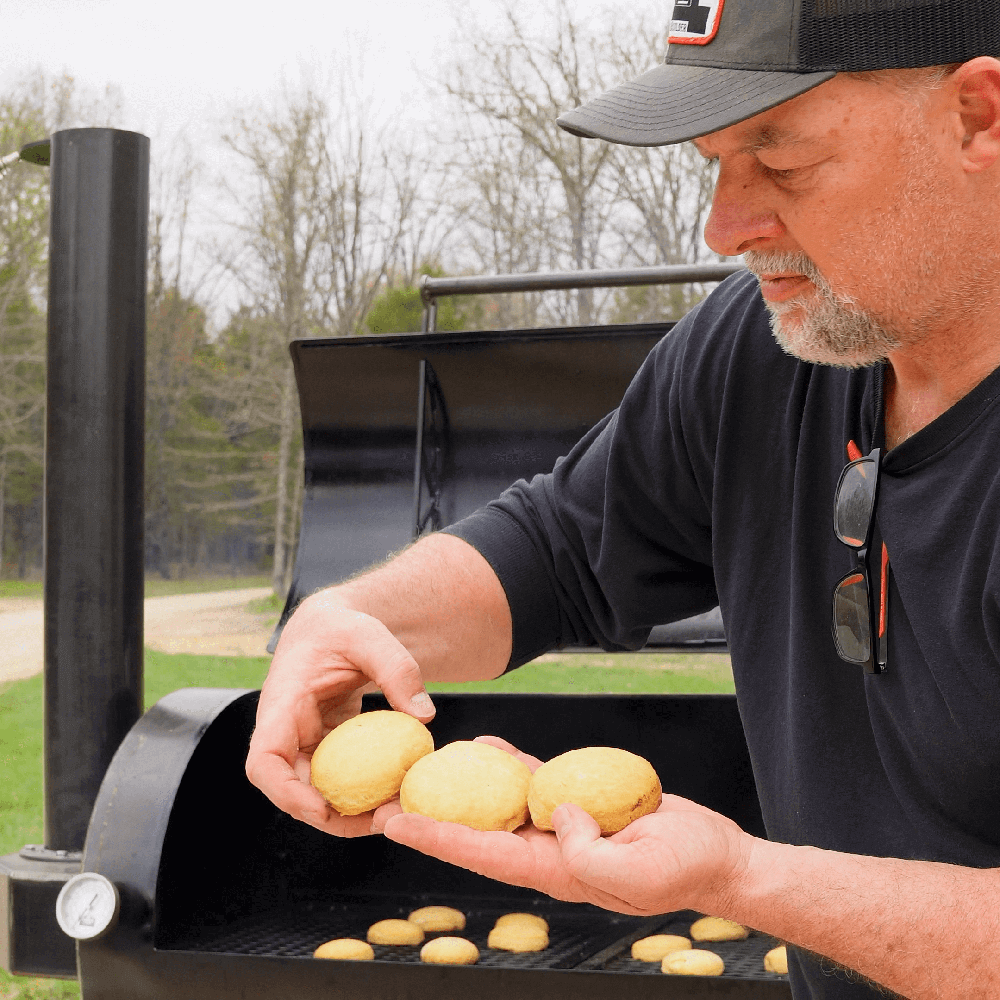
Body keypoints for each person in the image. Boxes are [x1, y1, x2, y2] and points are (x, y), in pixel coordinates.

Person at [245, 2, 1000, 997]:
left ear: (977, 119)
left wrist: (745, 876)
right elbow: (559, 547)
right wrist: (354, 617)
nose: (724, 228)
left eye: (780, 163)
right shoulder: (758, 350)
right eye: (713, 164)